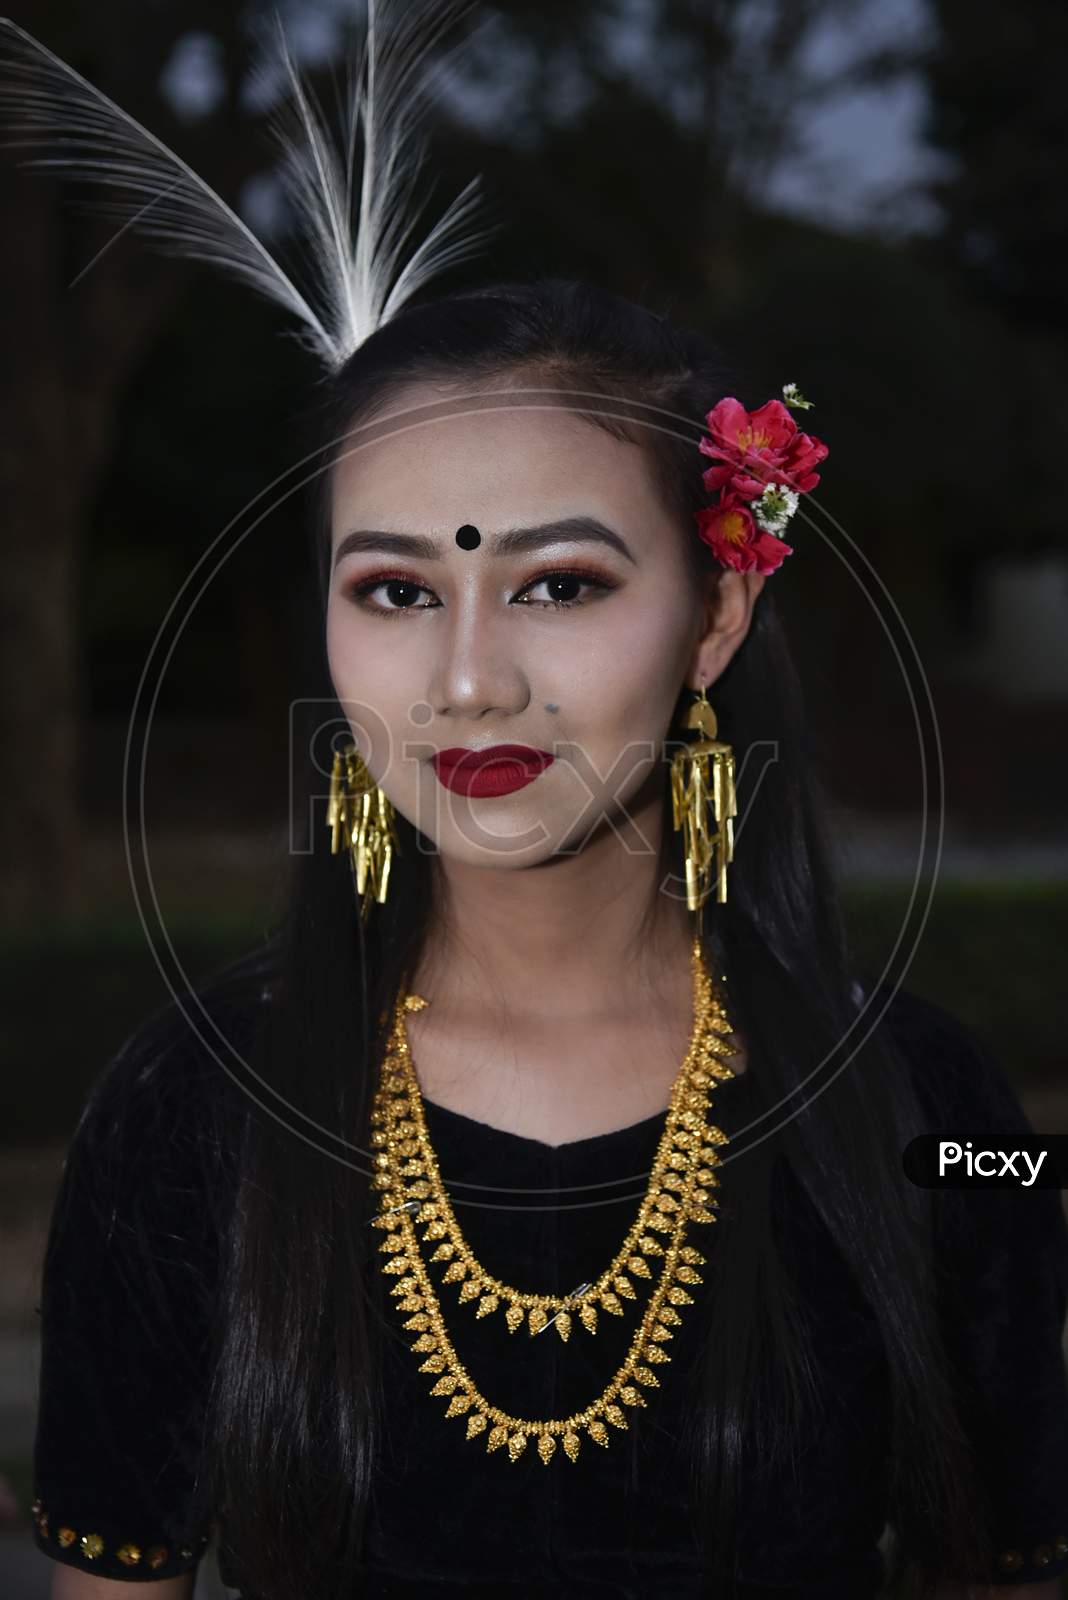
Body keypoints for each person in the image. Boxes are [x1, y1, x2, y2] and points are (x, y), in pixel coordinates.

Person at [9, 8, 1068, 1600]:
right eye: (394, 588)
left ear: (715, 617)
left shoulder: (942, 1122)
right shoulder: (181, 1114)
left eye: (561, 582)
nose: (468, 679)